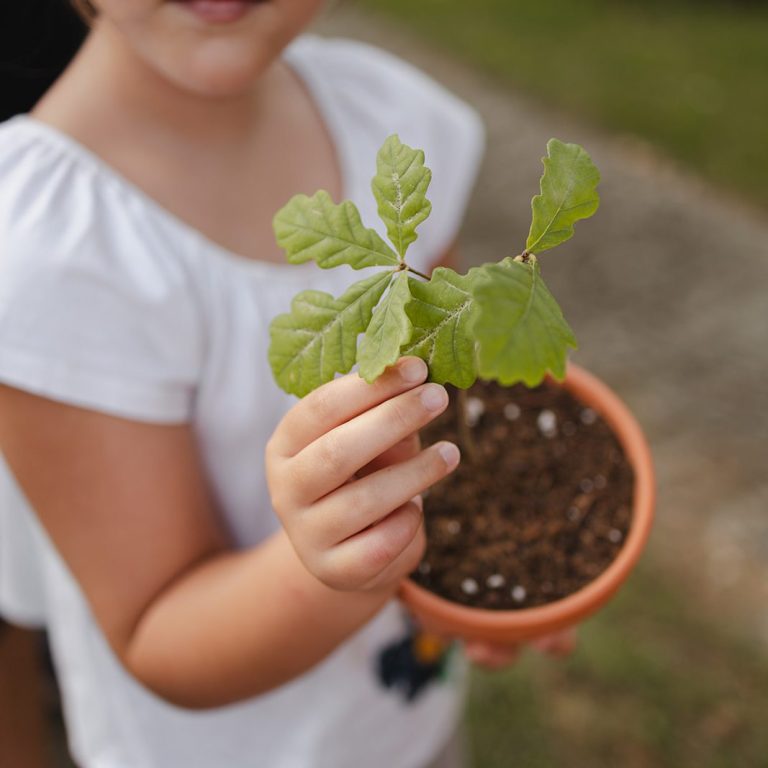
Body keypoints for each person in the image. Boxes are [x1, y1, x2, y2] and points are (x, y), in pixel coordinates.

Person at [0, 2, 573, 766]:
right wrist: (330, 571)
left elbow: (450, 398)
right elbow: (154, 634)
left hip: (410, 720)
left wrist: (495, 559)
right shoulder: (47, 246)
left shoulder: (389, 115)